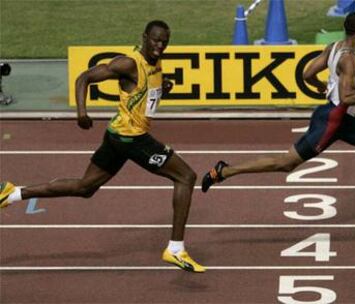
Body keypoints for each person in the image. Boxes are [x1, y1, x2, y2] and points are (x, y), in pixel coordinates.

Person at [0, 20, 205, 272]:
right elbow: (83, 77)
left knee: (85, 187)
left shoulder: (155, 62)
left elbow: (142, 93)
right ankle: (175, 249)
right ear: (144, 37)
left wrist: (163, 88)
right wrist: (81, 113)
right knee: (186, 176)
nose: (159, 46)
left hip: (117, 136)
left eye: (164, 41)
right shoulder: (129, 63)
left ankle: (13, 193)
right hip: (133, 139)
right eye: (155, 40)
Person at [201, 12, 355, 222]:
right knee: (285, 164)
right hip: (333, 121)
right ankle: (224, 171)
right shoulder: (350, 60)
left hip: (337, 116)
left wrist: (322, 86)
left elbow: (307, 74)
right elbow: (347, 96)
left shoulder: (334, 48)